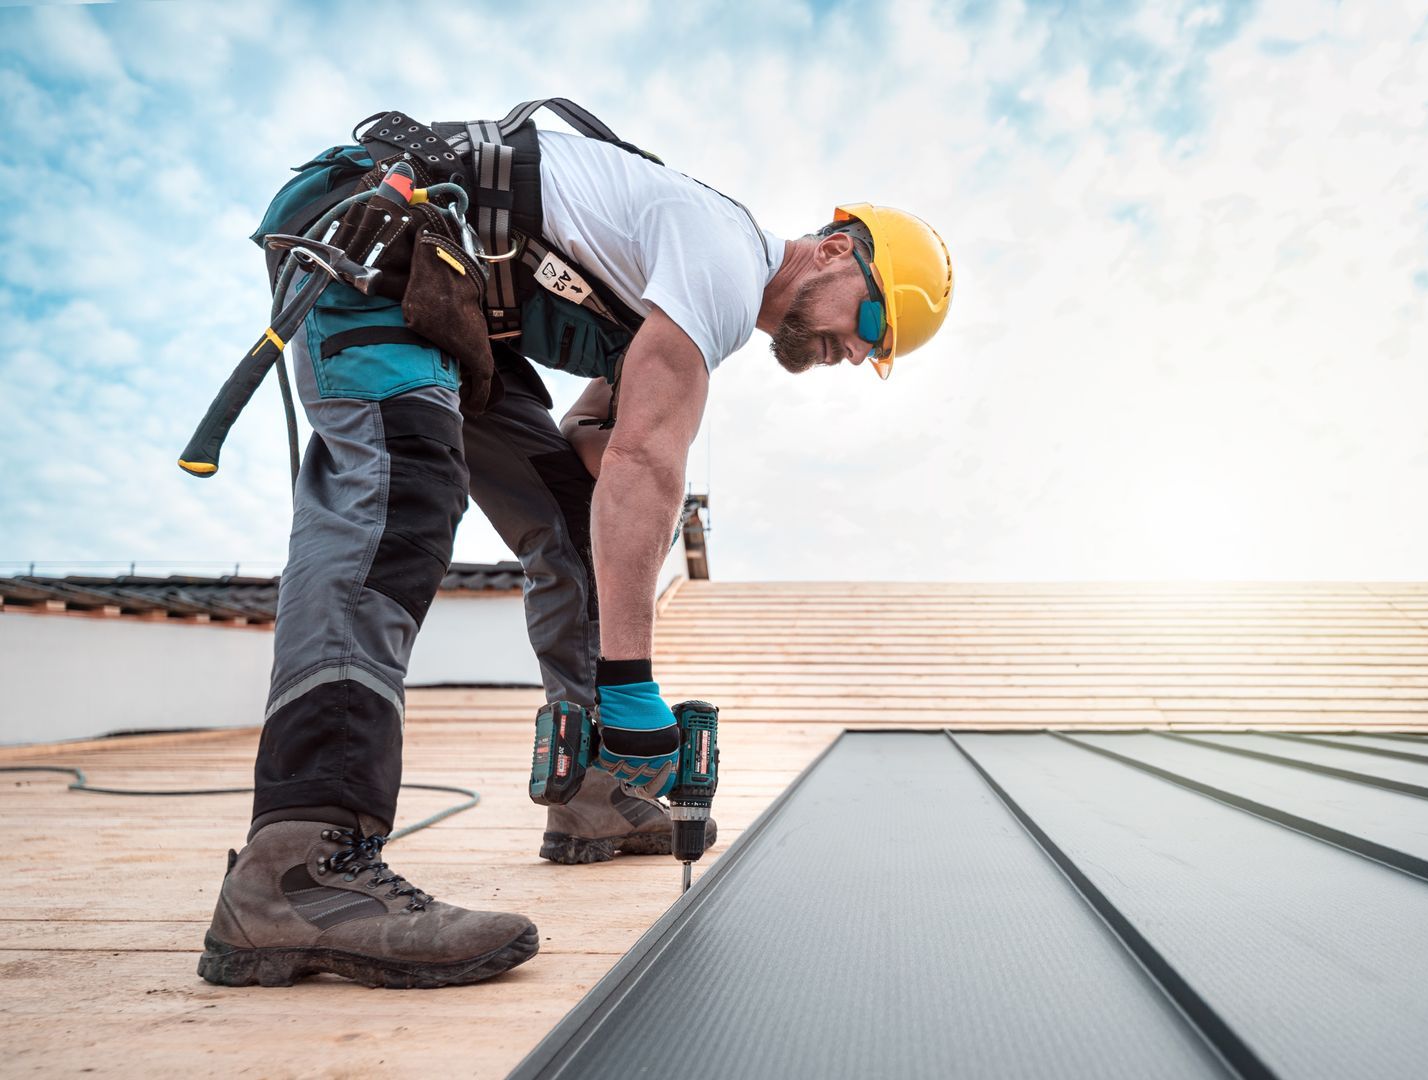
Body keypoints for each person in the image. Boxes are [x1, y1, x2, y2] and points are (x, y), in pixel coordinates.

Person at [197, 112, 953, 989]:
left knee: (568, 515)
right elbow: (645, 462)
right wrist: (631, 681)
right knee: (402, 496)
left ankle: (595, 792)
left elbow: (600, 444)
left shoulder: (685, 289)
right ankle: (299, 859)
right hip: (382, 236)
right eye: (872, 315)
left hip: (457, 299)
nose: (856, 350)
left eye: (876, 351)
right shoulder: (724, 255)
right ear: (830, 247)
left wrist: (615, 679)